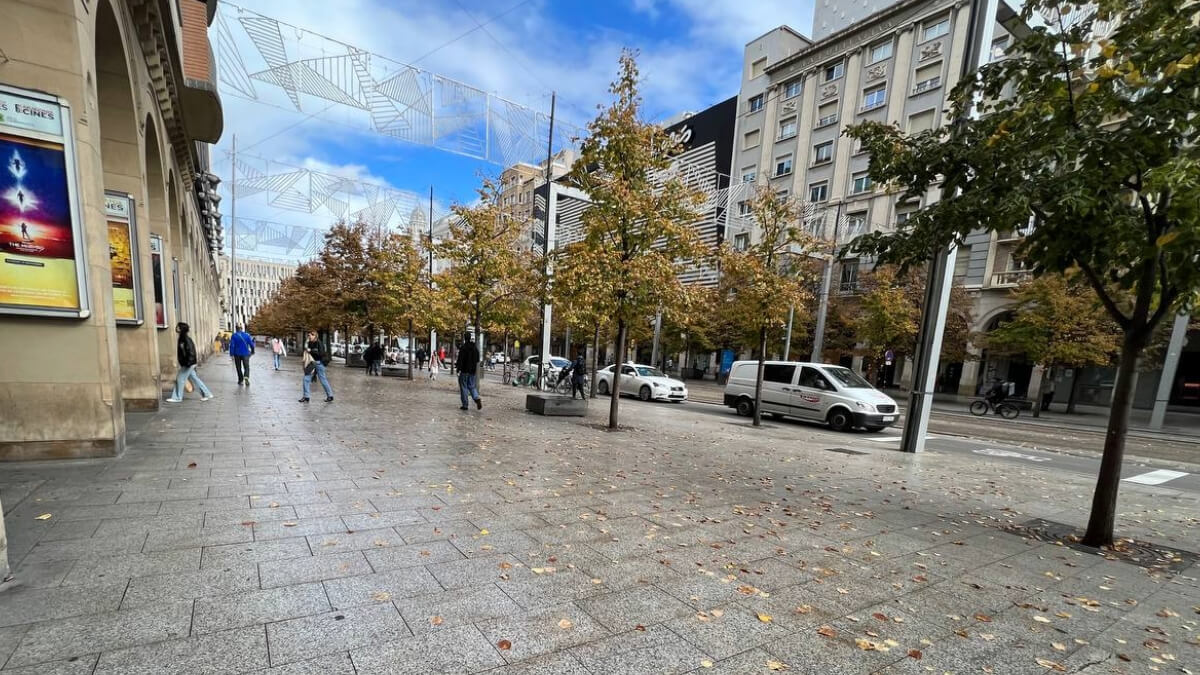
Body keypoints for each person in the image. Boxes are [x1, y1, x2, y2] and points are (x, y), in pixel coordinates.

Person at [165, 322, 213, 403]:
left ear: (181, 329)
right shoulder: (182, 338)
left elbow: (191, 352)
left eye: (178, 327)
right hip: (188, 363)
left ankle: (177, 397)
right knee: (195, 379)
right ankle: (207, 394)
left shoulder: (185, 339)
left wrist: (188, 363)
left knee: (180, 378)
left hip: (188, 363)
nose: (176, 328)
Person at [300, 331, 334, 403]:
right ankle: (306, 397)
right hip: (311, 362)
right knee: (306, 378)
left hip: (319, 363)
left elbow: (321, 353)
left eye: (310, 335)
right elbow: (307, 350)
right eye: (308, 335)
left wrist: (311, 350)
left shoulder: (319, 343)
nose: (309, 337)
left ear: (315, 336)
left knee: (323, 379)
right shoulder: (309, 342)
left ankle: (330, 395)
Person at [455, 332, 482, 410]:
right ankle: (476, 397)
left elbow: (460, 360)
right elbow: (477, 359)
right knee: (472, 386)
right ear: (470, 337)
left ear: (464, 338)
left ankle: (465, 405)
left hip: (464, 371)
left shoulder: (463, 348)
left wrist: (458, 369)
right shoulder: (474, 348)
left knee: (464, 387)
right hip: (472, 371)